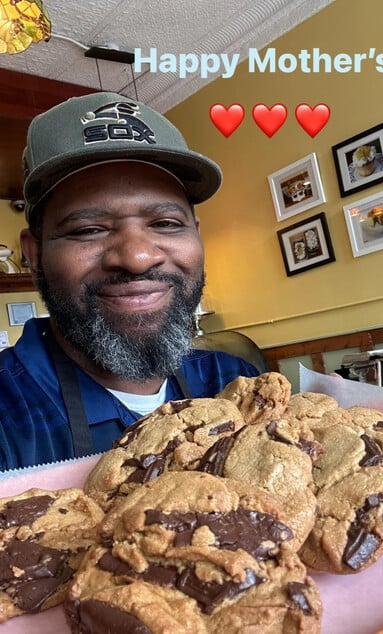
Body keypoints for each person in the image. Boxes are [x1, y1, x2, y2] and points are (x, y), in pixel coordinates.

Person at [0, 92, 259, 470]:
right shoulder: (9, 418)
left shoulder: (237, 381)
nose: (137, 258)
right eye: (88, 229)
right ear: (34, 253)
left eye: (166, 224)